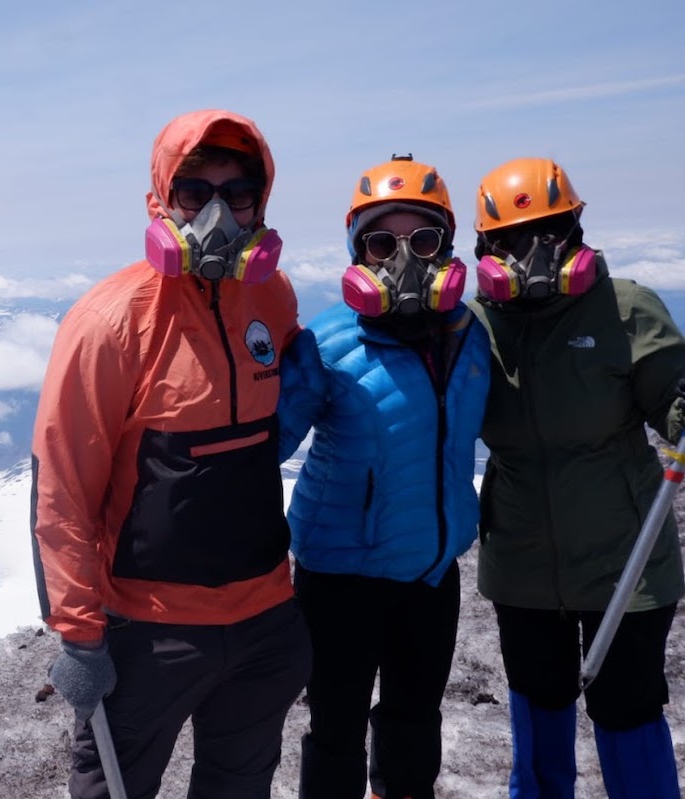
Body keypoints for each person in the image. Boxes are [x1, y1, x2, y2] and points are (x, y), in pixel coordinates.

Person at [30, 109, 313, 798]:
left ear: (260, 200)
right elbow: (61, 487)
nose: (218, 211)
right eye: (196, 192)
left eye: (237, 192)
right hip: (149, 631)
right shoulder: (109, 320)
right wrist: (77, 634)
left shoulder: (270, 295)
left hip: (264, 616)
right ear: (163, 196)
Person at [468, 157, 685, 798]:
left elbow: (672, 400)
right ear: (485, 247)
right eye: (508, 238)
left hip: (627, 565)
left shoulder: (625, 310)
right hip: (522, 565)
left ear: (576, 231)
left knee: (628, 710)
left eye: (551, 230)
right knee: (539, 708)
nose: (532, 250)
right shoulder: (478, 326)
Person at [276, 155, 491, 799]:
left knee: (415, 721)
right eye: (382, 241)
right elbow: (260, 443)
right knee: (336, 727)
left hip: (429, 574)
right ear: (357, 252)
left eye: (423, 240)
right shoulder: (326, 341)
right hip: (338, 578)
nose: (405, 258)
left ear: (448, 247)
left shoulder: (472, 338)